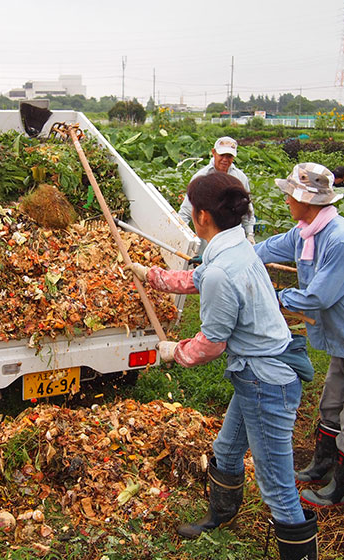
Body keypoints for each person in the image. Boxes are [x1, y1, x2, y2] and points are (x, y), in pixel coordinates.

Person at [130, 173, 318, 559]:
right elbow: (196, 277)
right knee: (227, 450)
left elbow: (211, 344)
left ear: (200, 216)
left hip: (267, 381)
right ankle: (219, 517)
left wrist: (173, 351)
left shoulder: (221, 268)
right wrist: (151, 276)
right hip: (258, 373)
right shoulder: (237, 247)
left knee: (278, 487)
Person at [254, 163, 344, 508]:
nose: (286, 200)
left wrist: (272, 300)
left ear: (305, 200)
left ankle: (342, 486)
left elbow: (317, 296)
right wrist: (225, 256)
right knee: (332, 404)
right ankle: (321, 465)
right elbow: (267, 249)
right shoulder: (306, 232)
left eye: (290, 195)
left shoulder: (342, 240)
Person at [178, 136, 256, 243]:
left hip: (233, 234)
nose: (225, 160)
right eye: (222, 155)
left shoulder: (240, 177)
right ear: (213, 152)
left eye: (229, 156)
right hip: (208, 236)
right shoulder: (201, 177)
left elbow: (247, 206)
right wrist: (179, 234)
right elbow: (186, 210)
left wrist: (250, 233)